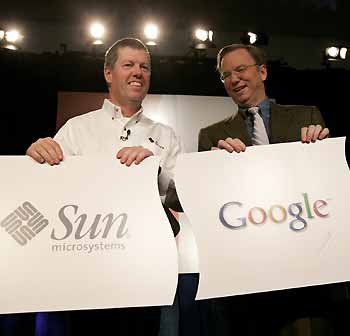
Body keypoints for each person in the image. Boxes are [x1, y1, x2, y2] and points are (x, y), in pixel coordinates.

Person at [24, 37, 182, 336]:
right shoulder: (77, 128)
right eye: (129, 65)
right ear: (108, 73)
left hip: (144, 271)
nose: (138, 72)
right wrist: (39, 155)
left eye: (145, 67)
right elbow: (47, 189)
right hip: (84, 272)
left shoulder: (165, 134)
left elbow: (180, 197)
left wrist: (155, 169)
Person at [198, 44, 336, 336]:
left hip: (305, 280)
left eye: (240, 70)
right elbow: (202, 206)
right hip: (248, 286)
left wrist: (322, 151)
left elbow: (328, 190)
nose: (233, 79)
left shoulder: (306, 117)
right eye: (225, 75)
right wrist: (211, 170)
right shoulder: (212, 136)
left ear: (262, 72)